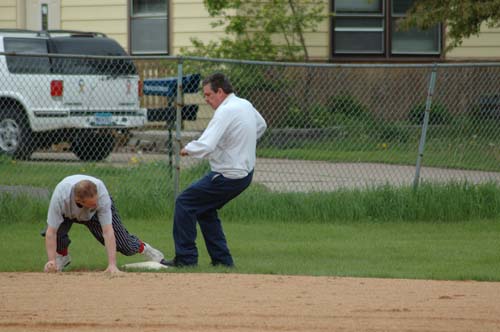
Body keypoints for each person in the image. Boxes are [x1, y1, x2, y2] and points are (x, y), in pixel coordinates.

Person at [161, 72, 267, 268]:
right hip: (244, 174)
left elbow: (207, 144)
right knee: (205, 210)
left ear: (220, 91)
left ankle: (186, 259)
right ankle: (222, 261)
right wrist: (241, 143)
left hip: (228, 175)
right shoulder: (244, 104)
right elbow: (261, 126)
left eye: (208, 95)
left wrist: (188, 149)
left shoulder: (225, 111)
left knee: (185, 202)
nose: (206, 100)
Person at [42, 174, 165, 273]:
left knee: (123, 244)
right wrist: (51, 260)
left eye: (96, 201)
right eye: (92, 204)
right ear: (78, 200)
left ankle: (145, 248)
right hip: (68, 212)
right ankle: (61, 257)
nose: (96, 205)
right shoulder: (60, 197)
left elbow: (107, 231)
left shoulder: (101, 196)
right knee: (55, 231)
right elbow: (51, 232)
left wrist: (112, 265)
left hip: (93, 214)